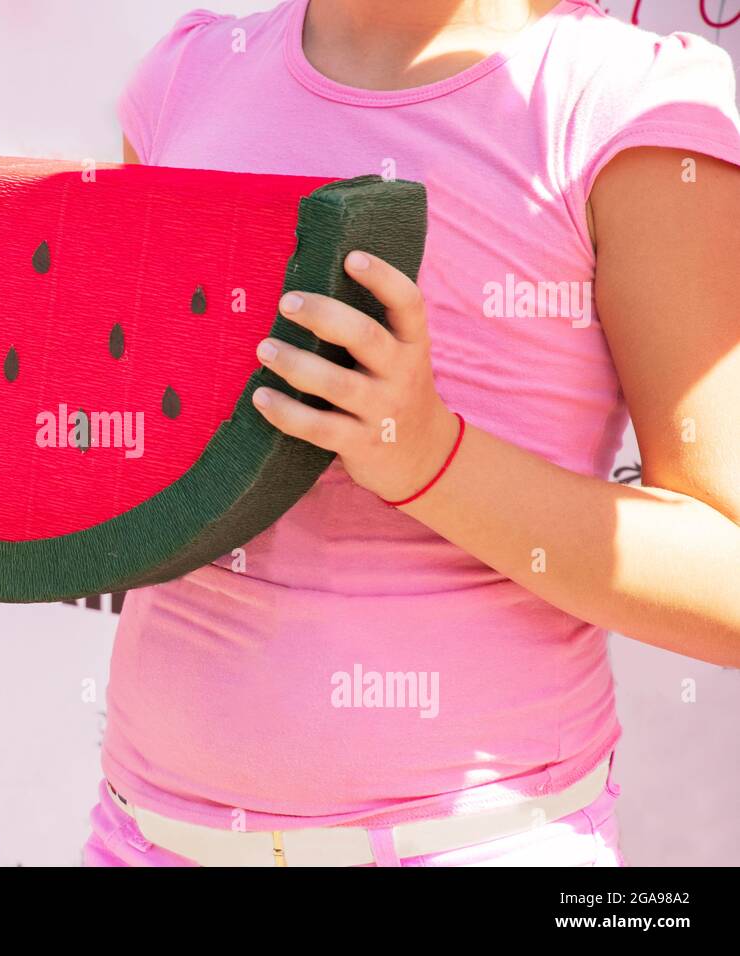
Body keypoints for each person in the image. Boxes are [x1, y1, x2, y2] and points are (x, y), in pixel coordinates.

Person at [86, 0, 740, 867]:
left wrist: (430, 457)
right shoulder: (187, 74)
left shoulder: (633, 102)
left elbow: (726, 581)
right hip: (144, 835)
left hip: (475, 842)